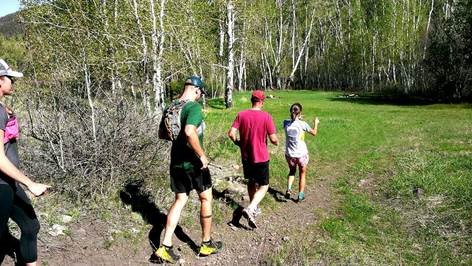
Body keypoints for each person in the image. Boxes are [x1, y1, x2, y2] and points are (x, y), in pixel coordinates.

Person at [154, 76, 222, 264]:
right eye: (200, 94)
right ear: (197, 90)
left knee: (180, 200)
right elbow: (189, 131)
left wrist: (180, 143)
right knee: (206, 198)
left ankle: (164, 247)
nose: (200, 97)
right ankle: (206, 244)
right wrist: (201, 155)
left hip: (176, 163)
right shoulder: (193, 107)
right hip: (194, 164)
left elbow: (162, 134)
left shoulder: (171, 107)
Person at [0, 59, 51, 266]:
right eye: (9, 78)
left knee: (30, 226)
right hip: (1, 185)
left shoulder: (3, 108)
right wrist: (30, 184)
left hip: (8, 182)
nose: (13, 82)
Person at [228, 90, 279, 229]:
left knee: (251, 181)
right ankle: (251, 208)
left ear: (252, 100)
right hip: (261, 156)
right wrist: (276, 142)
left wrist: (238, 143)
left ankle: (253, 206)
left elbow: (231, 133)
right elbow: (273, 139)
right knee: (264, 185)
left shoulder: (241, 115)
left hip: (246, 156)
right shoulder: (266, 116)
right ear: (262, 102)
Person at [283, 103, 319, 202]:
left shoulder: (285, 123)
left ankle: (289, 189)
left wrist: (298, 118)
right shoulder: (303, 124)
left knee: (292, 171)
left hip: (290, 155)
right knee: (302, 174)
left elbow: (292, 121)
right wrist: (316, 123)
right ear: (300, 113)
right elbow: (314, 133)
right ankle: (300, 194)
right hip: (302, 154)